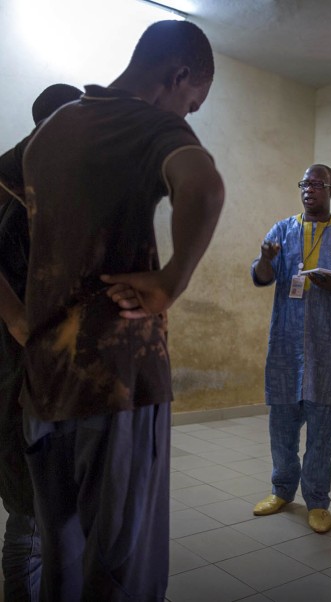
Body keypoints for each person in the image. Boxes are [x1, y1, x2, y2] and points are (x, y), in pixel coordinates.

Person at [19, 21, 224, 600]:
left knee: (61, 557)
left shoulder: (53, 128)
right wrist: (169, 283)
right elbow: (204, 186)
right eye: (193, 101)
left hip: (44, 382)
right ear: (179, 76)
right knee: (120, 569)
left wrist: (16, 318)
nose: (189, 115)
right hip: (117, 381)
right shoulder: (152, 125)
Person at [251, 164, 331, 533]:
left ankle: (318, 501)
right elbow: (260, 277)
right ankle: (281, 490)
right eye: (305, 183)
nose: (309, 189)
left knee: (322, 432)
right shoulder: (281, 231)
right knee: (281, 427)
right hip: (285, 347)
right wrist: (267, 260)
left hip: (327, 348)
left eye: (317, 184)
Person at [0, 83, 82, 602]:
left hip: (68, 365)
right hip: (20, 363)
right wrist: (16, 320)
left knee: (61, 500)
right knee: (28, 506)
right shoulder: (9, 181)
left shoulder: (66, 180)